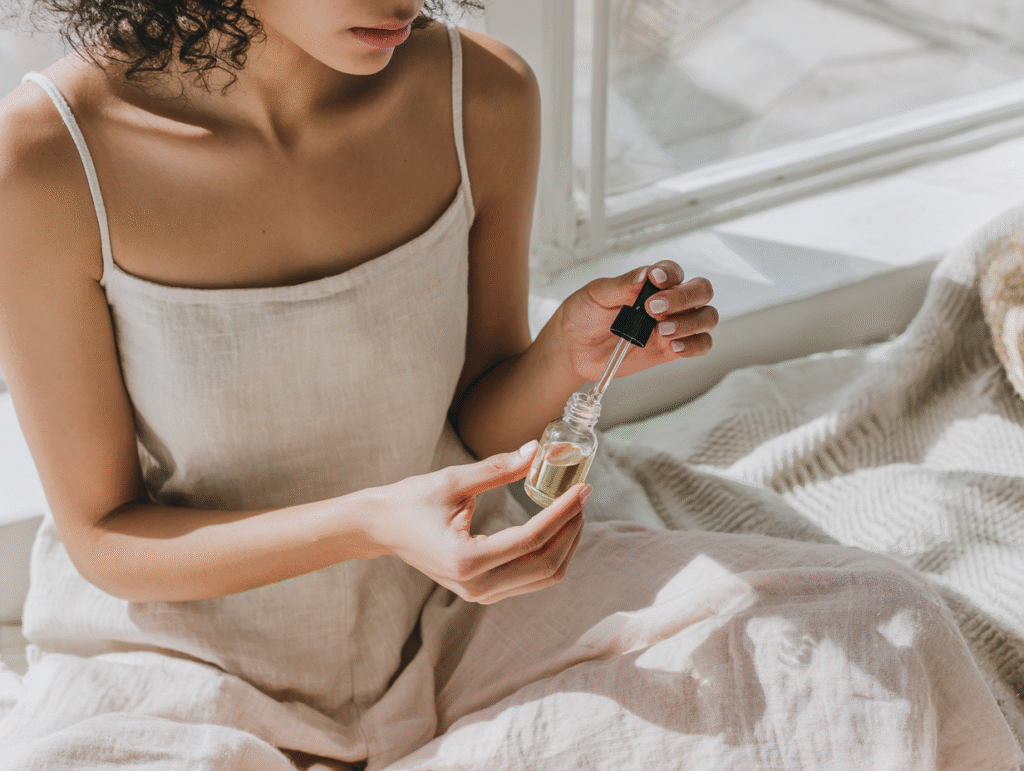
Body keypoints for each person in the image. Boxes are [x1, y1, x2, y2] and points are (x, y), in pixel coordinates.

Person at [0, 1, 1018, 769]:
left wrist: (564, 356)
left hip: (456, 617)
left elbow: (475, 410)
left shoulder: (475, 94)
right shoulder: (50, 159)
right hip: (189, 662)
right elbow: (103, 539)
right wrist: (374, 521)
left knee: (878, 625)